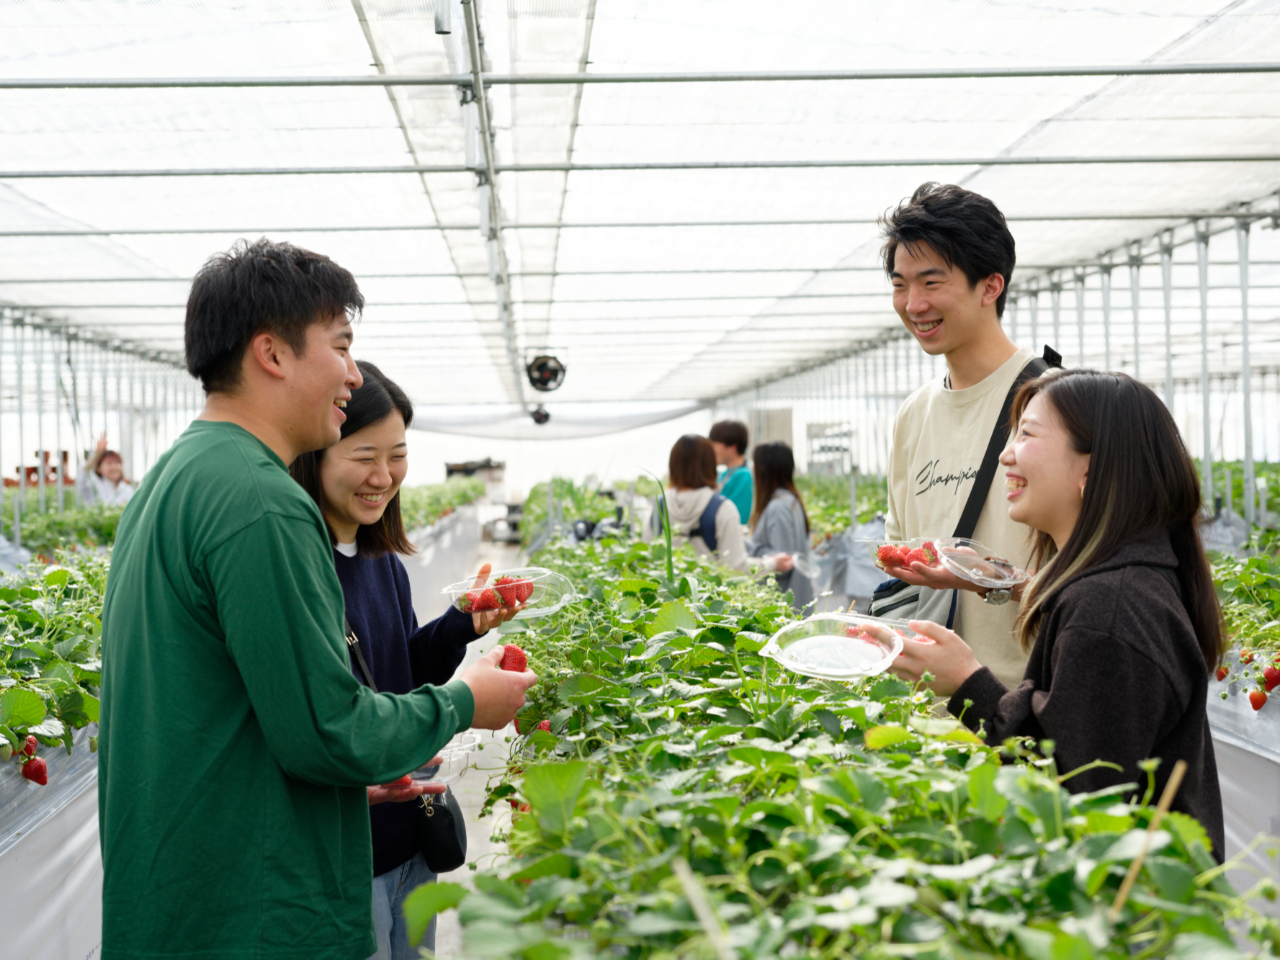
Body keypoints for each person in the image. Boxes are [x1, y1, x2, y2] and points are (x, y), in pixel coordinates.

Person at [97, 239, 537, 960]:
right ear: (273, 354)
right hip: (254, 912)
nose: (352, 374)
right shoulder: (260, 502)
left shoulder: (177, 477)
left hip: (187, 890)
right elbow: (329, 731)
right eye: (340, 346)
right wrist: (466, 701)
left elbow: (251, 715)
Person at [891, 369, 1225, 859]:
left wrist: (966, 682)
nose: (1006, 455)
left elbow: (1073, 798)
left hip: (1129, 917)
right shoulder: (1121, 585)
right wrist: (994, 580)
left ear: (1091, 472)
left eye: (1026, 435)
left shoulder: (1110, 609)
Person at [290, 360, 517, 960]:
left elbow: (399, 672)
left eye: (398, 455)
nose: (384, 476)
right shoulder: (297, 569)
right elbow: (328, 721)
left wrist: (460, 625)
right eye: (364, 456)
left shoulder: (378, 558)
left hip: (412, 835)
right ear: (317, 450)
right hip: (347, 859)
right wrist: (467, 702)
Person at [879, 182, 1045, 688]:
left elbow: (1102, 584)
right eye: (900, 284)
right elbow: (899, 563)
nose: (913, 304)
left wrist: (995, 579)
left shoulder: (1054, 404)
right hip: (928, 717)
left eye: (932, 282)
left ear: (990, 287)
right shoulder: (915, 414)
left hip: (1026, 708)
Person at [648, 434, 750, 572]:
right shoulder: (722, 509)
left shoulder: (659, 505)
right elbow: (737, 568)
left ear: (673, 465)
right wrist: (771, 564)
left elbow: (647, 556)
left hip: (666, 591)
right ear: (710, 464)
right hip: (710, 591)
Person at [746, 442, 813, 612]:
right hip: (797, 602)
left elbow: (783, 562)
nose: (752, 468)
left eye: (755, 464)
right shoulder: (791, 500)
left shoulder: (778, 507)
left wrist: (748, 546)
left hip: (783, 607)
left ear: (765, 470)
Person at [709, 420, 753, 523]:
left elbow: (737, 519)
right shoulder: (724, 474)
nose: (711, 449)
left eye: (714, 444)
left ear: (732, 445)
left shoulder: (744, 475)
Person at [77, 432, 134, 506]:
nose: (114, 467)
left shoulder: (127, 490)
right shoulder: (93, 485)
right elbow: (84, 472)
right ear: (99, 468)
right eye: (109, 463)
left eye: (117, 463)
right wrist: (98, 453)